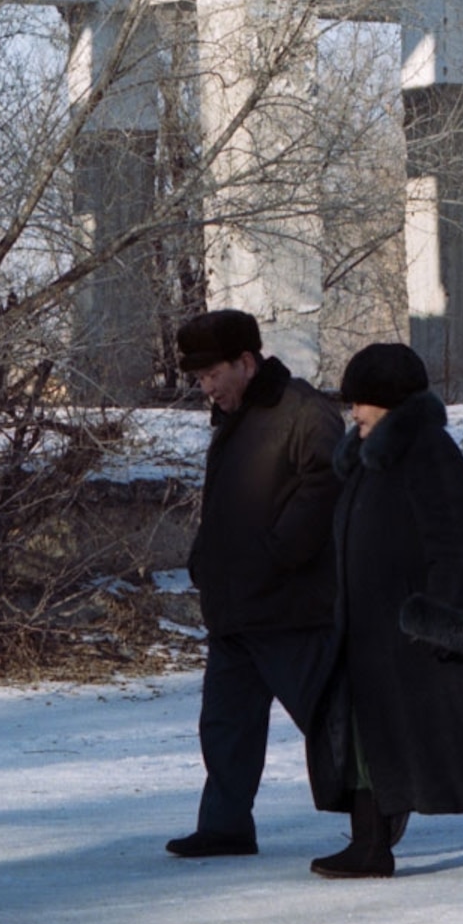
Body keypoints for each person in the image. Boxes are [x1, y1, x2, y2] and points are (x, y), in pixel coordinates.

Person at [305, 341, 463, 882]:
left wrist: (438, 615)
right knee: (365, 738)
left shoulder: (429, 452)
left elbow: (452, 540)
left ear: (391, 403)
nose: (353, 413)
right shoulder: (371, 457)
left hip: (419, 632)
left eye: (362, 403)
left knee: (461, 734)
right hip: (370, 632)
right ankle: (370, 846)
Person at [163, 308, 345, 859]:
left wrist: (277, 554)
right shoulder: (237, 416)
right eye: (199, 379)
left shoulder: (304, 412)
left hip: (290, 609)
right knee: (224, 727)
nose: (207, 389)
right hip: (235, 608)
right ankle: (225, 826)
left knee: (330, 718)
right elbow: (225, 506)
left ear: (245, 362)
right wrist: (205, 561)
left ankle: (376, 813)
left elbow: (326, 486)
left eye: (211, 375)